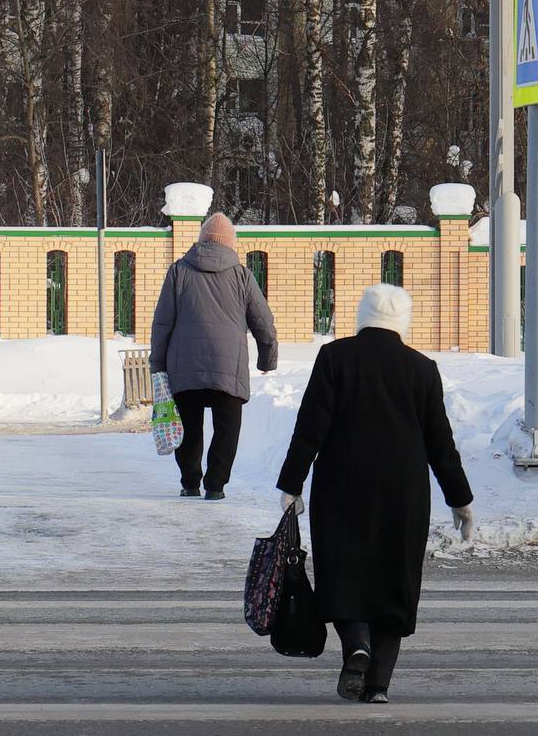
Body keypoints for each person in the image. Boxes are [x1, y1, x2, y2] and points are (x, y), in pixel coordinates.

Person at [275, 283, 473, 703]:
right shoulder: (422, 369)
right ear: (403, 322)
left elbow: (310, 428)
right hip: (404, 494)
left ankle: (357, 647)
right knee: (393, 581)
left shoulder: (334, 358)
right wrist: (460, 498)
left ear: (362, 316)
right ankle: (379, 684)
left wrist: (292, 484)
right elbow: (440, 442)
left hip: (341, 489)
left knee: (344, 574)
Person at [150, 212, 278, 500]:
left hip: (185, 367)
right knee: (227, 427)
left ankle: (190, 482)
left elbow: (162, 322)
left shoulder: (178, 271)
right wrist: (267, 358)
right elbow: (264, 321)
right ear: (231, 243)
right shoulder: (242, 275)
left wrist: (157, 363)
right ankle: (216, 486)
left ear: (202, 240)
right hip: (227, 366)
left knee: (189, 426)